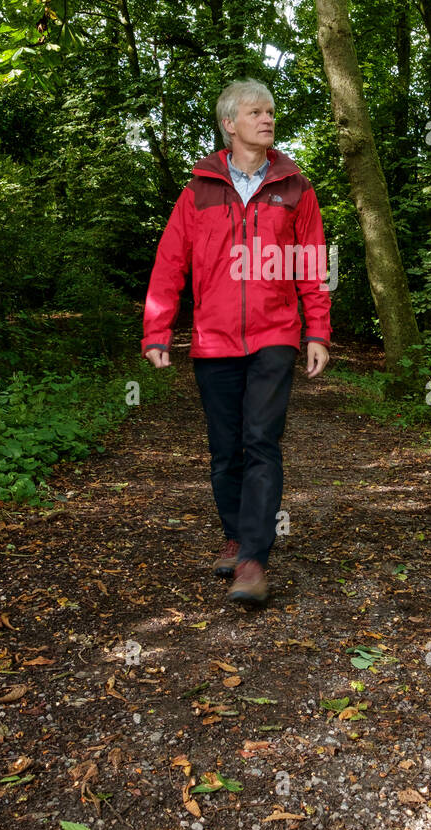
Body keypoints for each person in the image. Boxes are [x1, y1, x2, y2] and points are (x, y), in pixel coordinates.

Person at [142, 80, 331, 606]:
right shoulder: (198, 190)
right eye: (256, 112)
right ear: (230, 123)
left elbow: (312, 266)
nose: (268, 119)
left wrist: (316, 330)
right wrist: (158, 329)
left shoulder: (296, 188)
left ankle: (253, 557)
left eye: (271, 111)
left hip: (275, 335)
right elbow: (169, 263)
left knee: (262, 443)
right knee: (225, 451)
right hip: (213, 339)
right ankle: (233, 533)